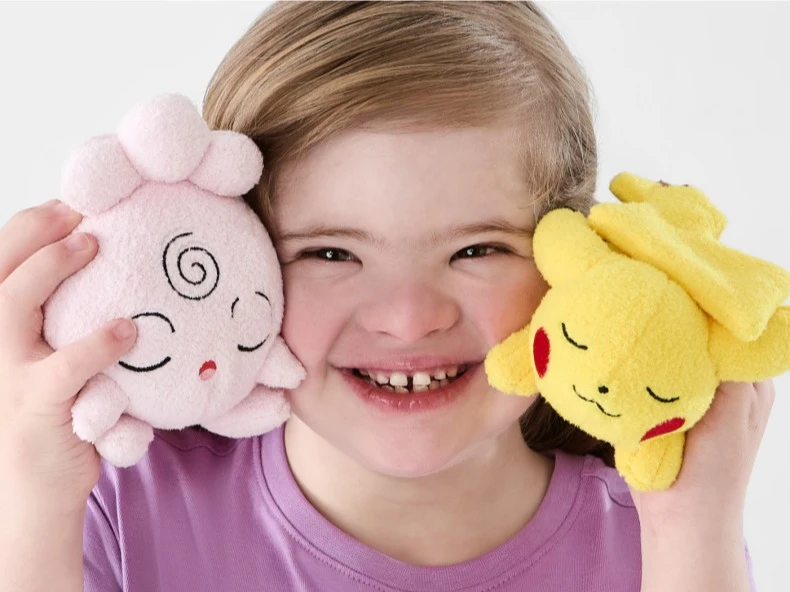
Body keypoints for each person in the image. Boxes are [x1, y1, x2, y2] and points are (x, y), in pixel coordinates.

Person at [0, 2, 773, 591]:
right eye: (332, 252)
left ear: (579, 265)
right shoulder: (113, 509)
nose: (408, 317)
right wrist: (30, 486)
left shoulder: (664, 539)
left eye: (477, 250)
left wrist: (691, 526)